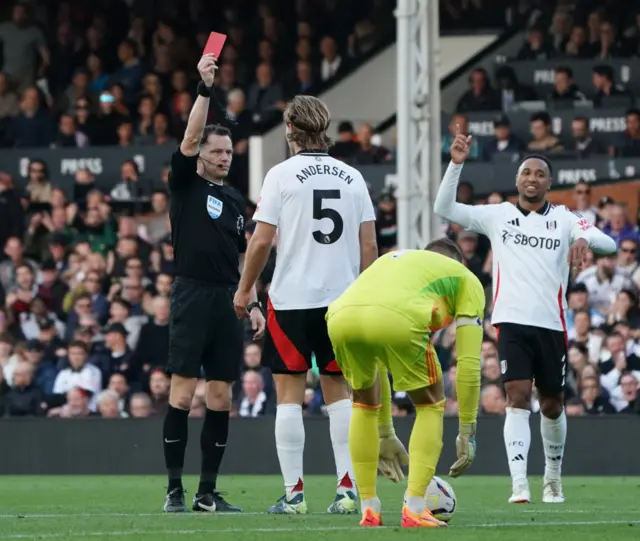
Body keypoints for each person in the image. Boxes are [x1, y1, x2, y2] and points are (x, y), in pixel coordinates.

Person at [434, 126, 617, 504]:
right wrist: (455, 165)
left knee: (551, 403)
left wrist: (584, 235)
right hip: (512, 322)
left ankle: (552, 476)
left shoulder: (566, 219)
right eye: (526, 172)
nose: (532, 178)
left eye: (539, 174)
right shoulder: (498, 215)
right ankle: (519, 483)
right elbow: (445, 209)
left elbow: (610, 243)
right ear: (517, 180)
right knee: (516, 396)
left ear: (549, 183)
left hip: (552, 324)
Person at [233, 94, 378, 514]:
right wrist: (364, 295)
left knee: (288, 394)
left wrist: (245, 290)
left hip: (291, 298)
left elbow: (261, 240)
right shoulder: (353, 178)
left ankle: (294, 495)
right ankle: (347, 490)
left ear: (290, 129)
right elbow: (368, 244)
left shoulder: (280, 175)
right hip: (343, 301)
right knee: (339, 393)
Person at [162, 53, 266, 514]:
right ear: (200, 157)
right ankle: (173, 490)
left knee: (221, 395)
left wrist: (255, 300)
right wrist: (204, 89)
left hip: (230, 300)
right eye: (216, 152)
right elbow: (188, 136)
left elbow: (246, 256)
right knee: (183, 394)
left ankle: (206, 492)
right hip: (190, 293)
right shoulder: (185, 184)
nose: (224, 158)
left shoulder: (236, 199)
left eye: (227, 152)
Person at [326, 239, 484, 528]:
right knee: (430, 404)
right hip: (397, 319)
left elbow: (379, 361)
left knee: (363, 402)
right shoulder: (466, 278)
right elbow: (469, 366)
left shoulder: (392, 263)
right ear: (458, 263)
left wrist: (385, 432)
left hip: (340, 316)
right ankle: (414, 507)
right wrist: (467, 429)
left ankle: (369, 510)